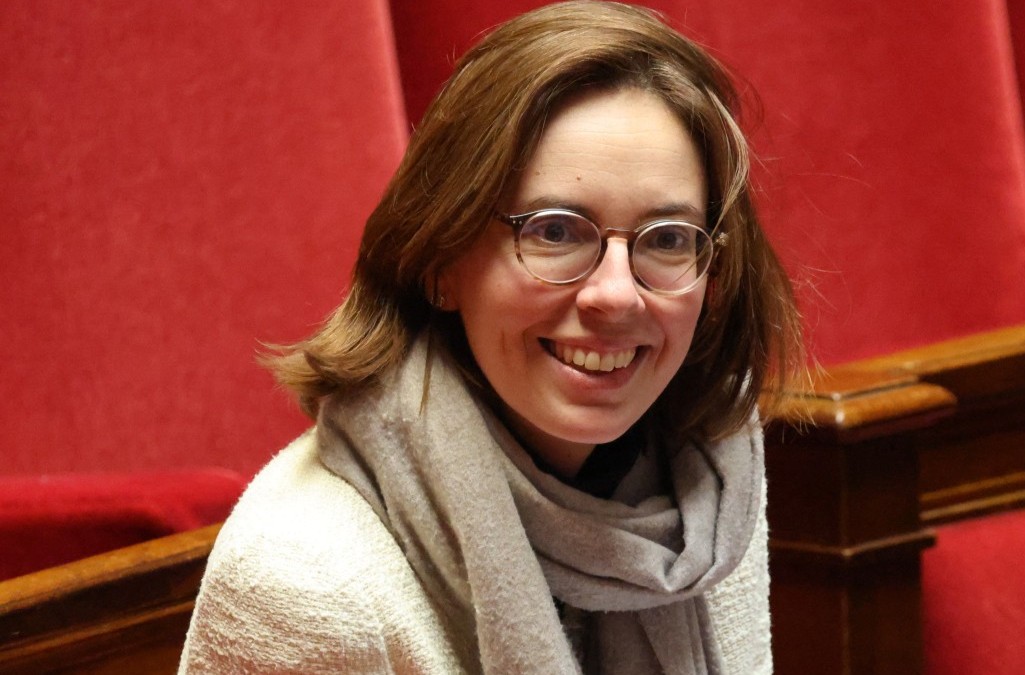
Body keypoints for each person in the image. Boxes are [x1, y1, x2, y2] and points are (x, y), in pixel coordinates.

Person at [180, 1, 803, 673]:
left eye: (668, 239)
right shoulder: (310, 582)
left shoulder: (709, 488)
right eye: (555, 231)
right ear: (443, 261)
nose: (617, 293)